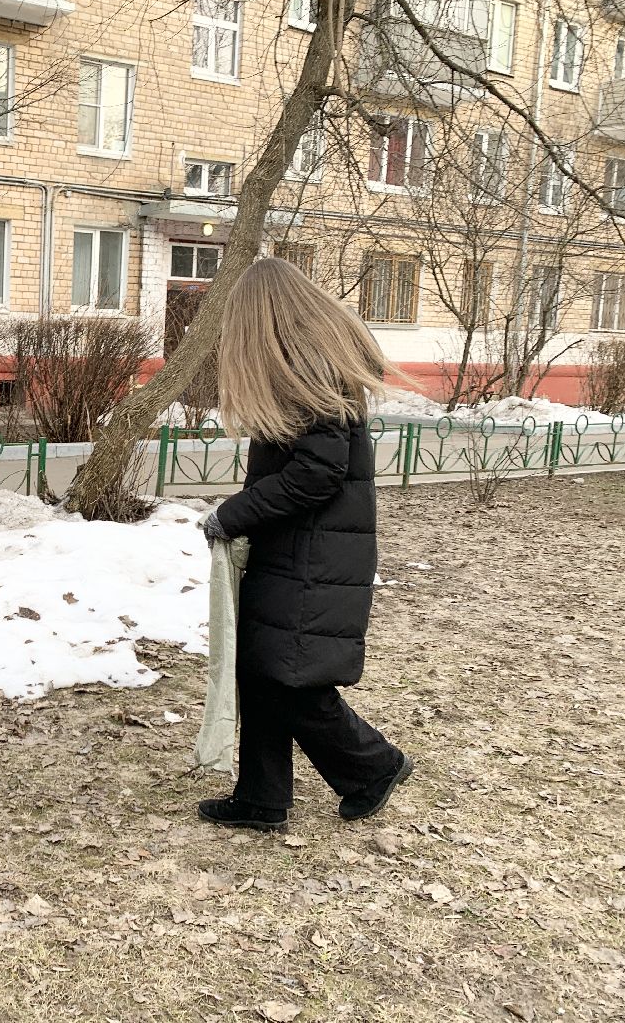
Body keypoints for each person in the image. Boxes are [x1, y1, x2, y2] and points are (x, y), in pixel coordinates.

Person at [198, 257, 412, 833]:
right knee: (265, 669)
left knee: (291, 679)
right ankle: (262, 798)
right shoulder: (306, 362)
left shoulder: (307, 368)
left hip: (312, 554)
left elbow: (319, 473)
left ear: (263, 316)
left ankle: (373, 765)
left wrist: (232, 515)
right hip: (297, 547)